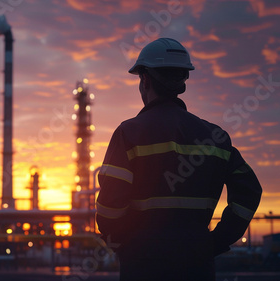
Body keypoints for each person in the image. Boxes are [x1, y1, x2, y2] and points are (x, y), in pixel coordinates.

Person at [95, 38, 262, 281]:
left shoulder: (129, 134)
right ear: (183, 80)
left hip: (143, 267)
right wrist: (217, 241)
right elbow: (250, 192)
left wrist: (124, 245)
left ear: (145, 80)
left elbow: (109, 207)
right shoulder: (215, 137)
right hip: (197, 266)